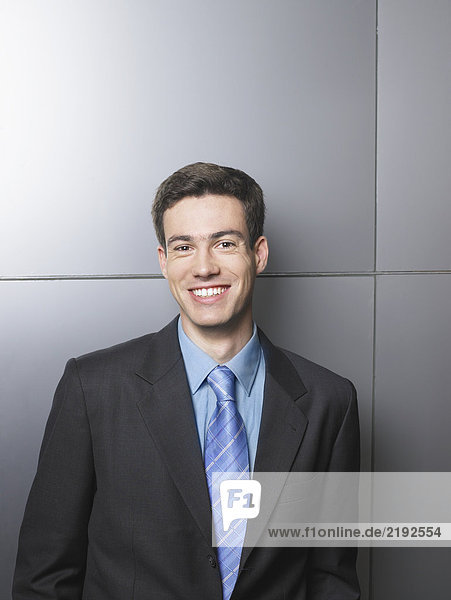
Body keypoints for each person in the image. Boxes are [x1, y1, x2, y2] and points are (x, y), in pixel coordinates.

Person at [13, 162, 360, 599]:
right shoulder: (93, 388)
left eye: (225, 243)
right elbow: (44, 576)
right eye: (183, 247)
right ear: (164, 261)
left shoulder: (330, 401)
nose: (203, 267)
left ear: (259, 253)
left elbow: (332, 578)